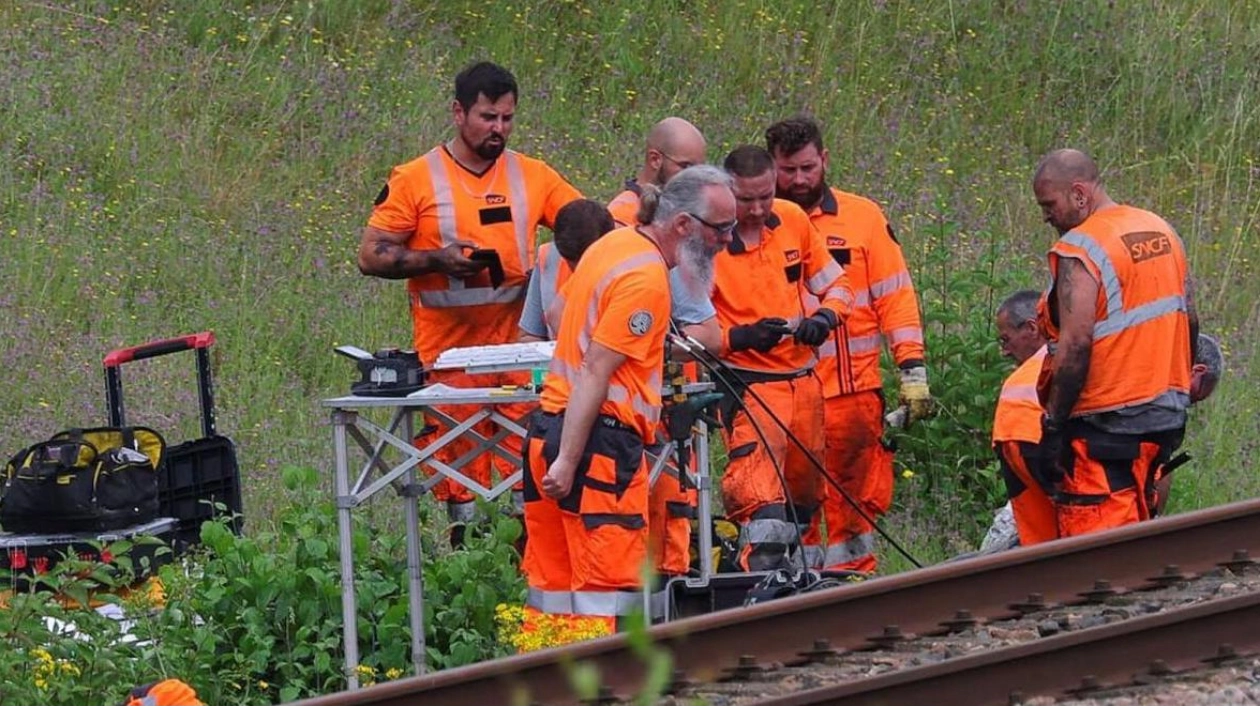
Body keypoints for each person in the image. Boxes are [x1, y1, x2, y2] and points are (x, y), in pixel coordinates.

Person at [357, 61, 581, 546]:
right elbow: (371, 256)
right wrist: (435, 259)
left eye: (506, 118)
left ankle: (529, 571)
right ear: (459, 113)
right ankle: (467, 569)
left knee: (530, 473)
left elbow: (585, 229)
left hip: (521, 355)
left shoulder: (533, 175)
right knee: (460, 482)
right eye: (487, 117)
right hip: (449, 360)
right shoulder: (416, 178)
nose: (498, 129)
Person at [520, 165, 735, 635]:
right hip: (595, 449)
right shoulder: (646, 279)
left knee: (553, 591)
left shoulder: (614, 246)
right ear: (683, 225)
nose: (727, 241)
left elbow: (560, 315)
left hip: (548, 430)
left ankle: (545, 685)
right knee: (607, 593)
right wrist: (569, 462)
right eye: (721, 230)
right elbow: (598, 368)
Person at [765, 116, 930, 573]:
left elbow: (895, 295)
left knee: (853, 505)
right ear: (771, 167)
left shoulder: (863, 218)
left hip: (852, 394)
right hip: (785, 391)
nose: (799, 180)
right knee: (788, 502)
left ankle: (851, 585)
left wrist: (912, 370)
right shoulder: (758, 224)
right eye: (788, 170)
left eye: (807, 168)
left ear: (824, 160)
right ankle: (793, 589)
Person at [1032, 148, 1197, 537]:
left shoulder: (1080, 248)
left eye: (1048, 204)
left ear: (1079, 194)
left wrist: (1053, 428)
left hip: (1106, 423)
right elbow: (1189, 319)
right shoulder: (1159, 229)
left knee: (1099, 550)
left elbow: (1075, 346)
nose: (1045, 216)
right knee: (1139, 530)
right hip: (1165, 414)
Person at [709, 145, 854, 572]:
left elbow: (839, 286)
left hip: (804, 383)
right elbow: (690, 331)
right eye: (745, 199)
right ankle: (756, 590)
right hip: (750, 388)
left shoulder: (792, 221)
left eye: (764, 197)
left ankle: (797, 588)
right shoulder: (710, 240)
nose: (755, 209)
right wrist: (740, 337)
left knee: (803, 503)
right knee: (760, 502)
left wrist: (825, 317)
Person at [605, 117, 721, 580]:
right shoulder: (638, 224)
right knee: (644, 538)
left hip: (664, 403)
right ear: (656, 160)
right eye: (687, 166)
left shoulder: (672, 221)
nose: (697, 177)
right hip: (639, 407)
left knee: (663, 529)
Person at [981, 330, 1222, 551]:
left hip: (1010, 427)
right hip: (1049, 430)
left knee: (1041, 544)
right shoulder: (1158, 373)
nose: (1187, 402)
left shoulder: (1128, 337)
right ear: (1196, 371)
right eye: (1195, 396)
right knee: (1096, 544)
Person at [991, 289, 1056, 548]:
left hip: (1025, 446)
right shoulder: (1077, 357)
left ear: (1031, 328)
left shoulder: (1022, 380)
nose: (1005, 352)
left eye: (1006, 340)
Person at [518, 199, 617, 342]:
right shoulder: (549, 257)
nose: (581, 270)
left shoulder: (632, 267)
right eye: (573, 263)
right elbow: (528, 335)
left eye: (590, 262)